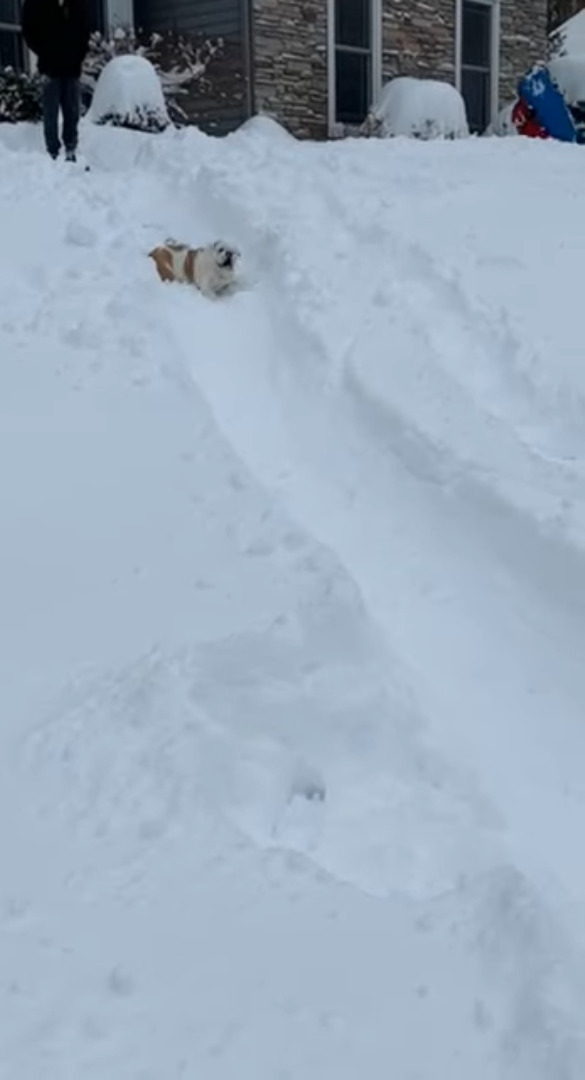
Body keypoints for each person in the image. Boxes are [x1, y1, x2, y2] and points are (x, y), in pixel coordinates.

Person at [22, 0, 90, 162]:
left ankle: (70, 148)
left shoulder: (76, 4)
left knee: (72, 111)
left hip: (72, 65)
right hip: (49, 66)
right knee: (50, 112)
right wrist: (44, 51)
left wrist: (78, 54)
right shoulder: (37, 3)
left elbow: (84, 29)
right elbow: (29, 30)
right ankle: (52, 151)